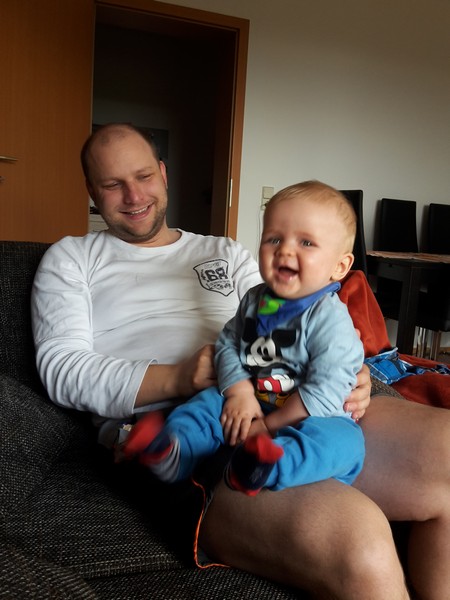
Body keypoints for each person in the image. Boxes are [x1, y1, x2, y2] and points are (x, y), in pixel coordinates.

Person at [31, 123, 450, 600]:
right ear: (91, 191)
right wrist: (181, 377)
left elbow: (297, 311)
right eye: (112, 184)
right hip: (191, 421)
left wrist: (350, 369)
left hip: (281, 392)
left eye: (143, 176)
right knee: (361, 543)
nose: (133, 195)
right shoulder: (71, 258)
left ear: (163, 174)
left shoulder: (224, 251)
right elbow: (61, 370)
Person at [123, 181, 365, 496]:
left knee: (345, 442)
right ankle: (172, 451)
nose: (284, 250)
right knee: (205, 404)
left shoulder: (330, 319)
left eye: (306, 242)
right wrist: (239, 393)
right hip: (253, 399)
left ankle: (265, 467)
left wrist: (269, 426)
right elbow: (227, 345)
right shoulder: (255, 299)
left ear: (340, 266)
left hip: (308, 415)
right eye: (274, 238)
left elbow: (325, 391)